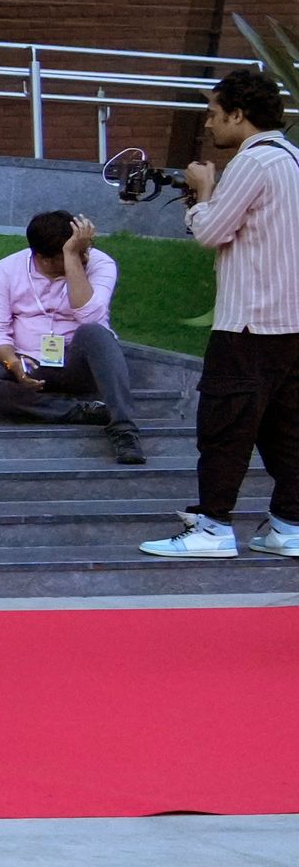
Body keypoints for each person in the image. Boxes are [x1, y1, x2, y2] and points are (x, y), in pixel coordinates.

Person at [142, 66, 299, 558]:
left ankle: (212, 527)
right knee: (286, 429)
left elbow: (211, 232)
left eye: (213, 114)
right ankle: (288, 526)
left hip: (248, 321)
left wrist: (203, 192)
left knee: (225, 426)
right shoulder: (292, 157)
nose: (208, 125)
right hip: (290, 323)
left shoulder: (253, 164)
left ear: (238, 114)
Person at [0, 210, 151, 465]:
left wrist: (72, 259)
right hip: (29, 363)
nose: (85, 256)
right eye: (75, 252)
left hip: (79, 365)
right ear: (43, 259)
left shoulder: (100, 264)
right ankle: (77, 411)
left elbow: (92, 317)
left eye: (83, 249)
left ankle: (124, 429)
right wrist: (13, 364)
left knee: (96, 333)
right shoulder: (7, 269)